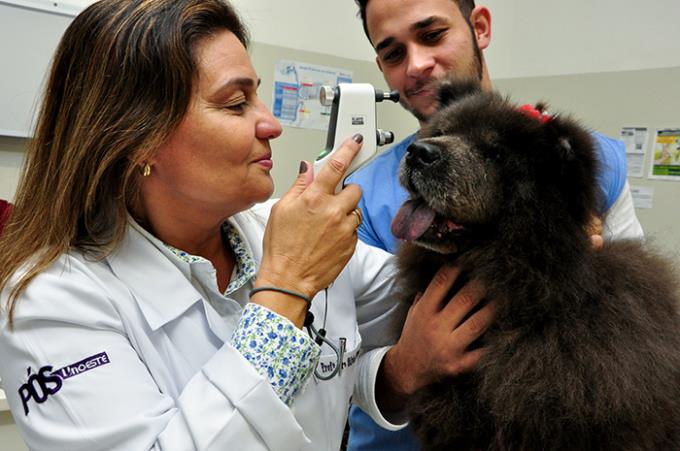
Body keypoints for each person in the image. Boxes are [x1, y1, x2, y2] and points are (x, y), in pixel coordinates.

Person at [0, 1, 494, 450]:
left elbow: (341, 366)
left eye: (257, 97)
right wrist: (286, 287)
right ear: (138, 138)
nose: (271, 124)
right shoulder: (49, 303)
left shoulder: (273, 230)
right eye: (236, 104)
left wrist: (402, 370)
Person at [345, 0, 645, 450]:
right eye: (393, 53)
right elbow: (340, 367)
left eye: (432, 35)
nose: (417, 65)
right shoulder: (360, 197)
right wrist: (404, 365)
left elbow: (638, 333)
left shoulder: (589, 166)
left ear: (479, 27)